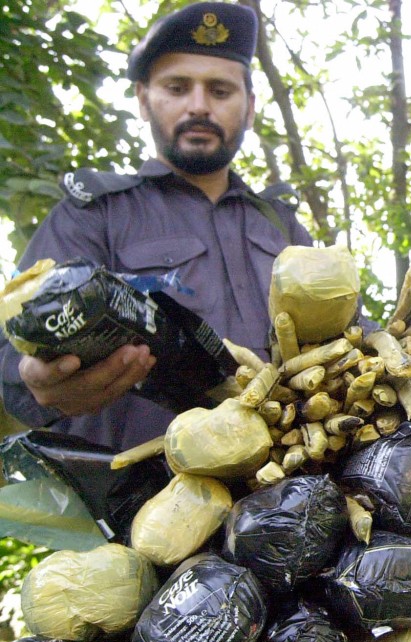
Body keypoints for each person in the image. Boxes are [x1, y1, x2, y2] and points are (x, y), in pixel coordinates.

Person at [0, 2, 312, 451]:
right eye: (178, 88)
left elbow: (347, 342)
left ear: (249, 109)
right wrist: (37, 384)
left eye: (220, 91)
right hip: (131, 506)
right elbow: (11, 354)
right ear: (145, 101)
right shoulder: (95, 214)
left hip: (280, 497)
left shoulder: (283, 227)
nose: (199, 106)